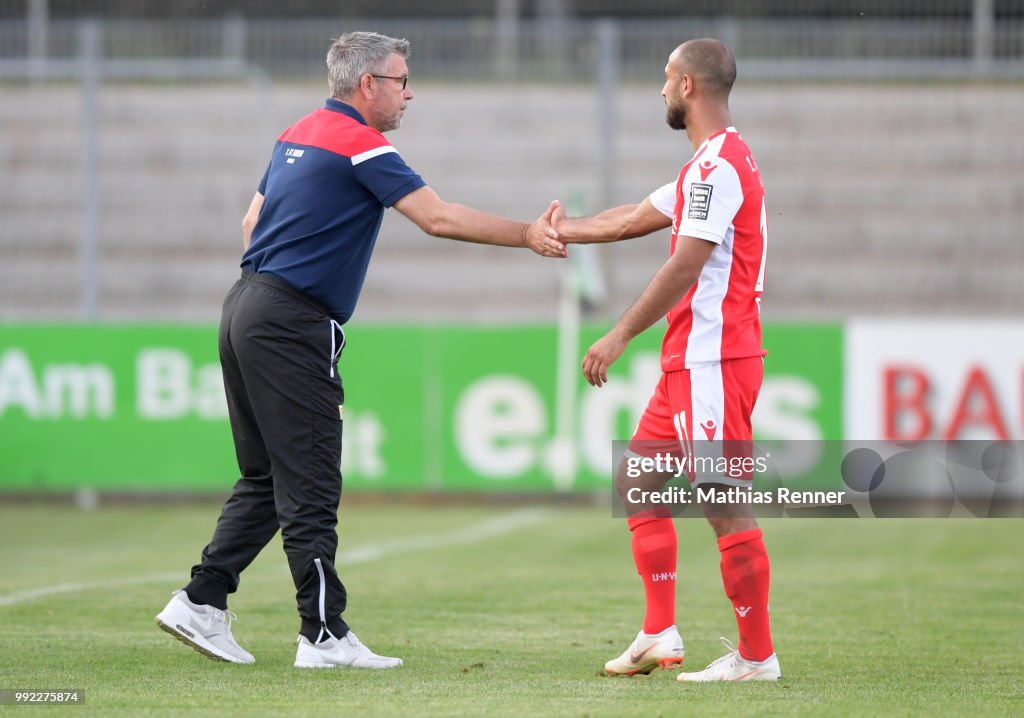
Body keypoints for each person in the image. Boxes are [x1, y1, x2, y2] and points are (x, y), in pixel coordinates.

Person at [155, 31, 566, 670]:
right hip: (291, 321)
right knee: (311, 480)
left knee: (268, 476)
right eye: (402, 81)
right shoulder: (363, 143)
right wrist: (527, 234)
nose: (409, 93)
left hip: (244, 303)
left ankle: (202, 600)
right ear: (368, 85)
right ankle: (322, 635)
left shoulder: (298, 131)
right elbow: (439, 218)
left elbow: (250, 223)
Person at [550, 38, 780, 681]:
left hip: (713, 358)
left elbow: (686, 262)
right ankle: (658, 632)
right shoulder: (705, 166)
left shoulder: (718, 168)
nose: (660, 90)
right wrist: (558, 230)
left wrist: (618, 334)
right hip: (688, 361)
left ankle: (757, 657)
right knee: (639, 483)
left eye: (666, 78)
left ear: (688, 87)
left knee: (721, 496)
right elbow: (629, 219)